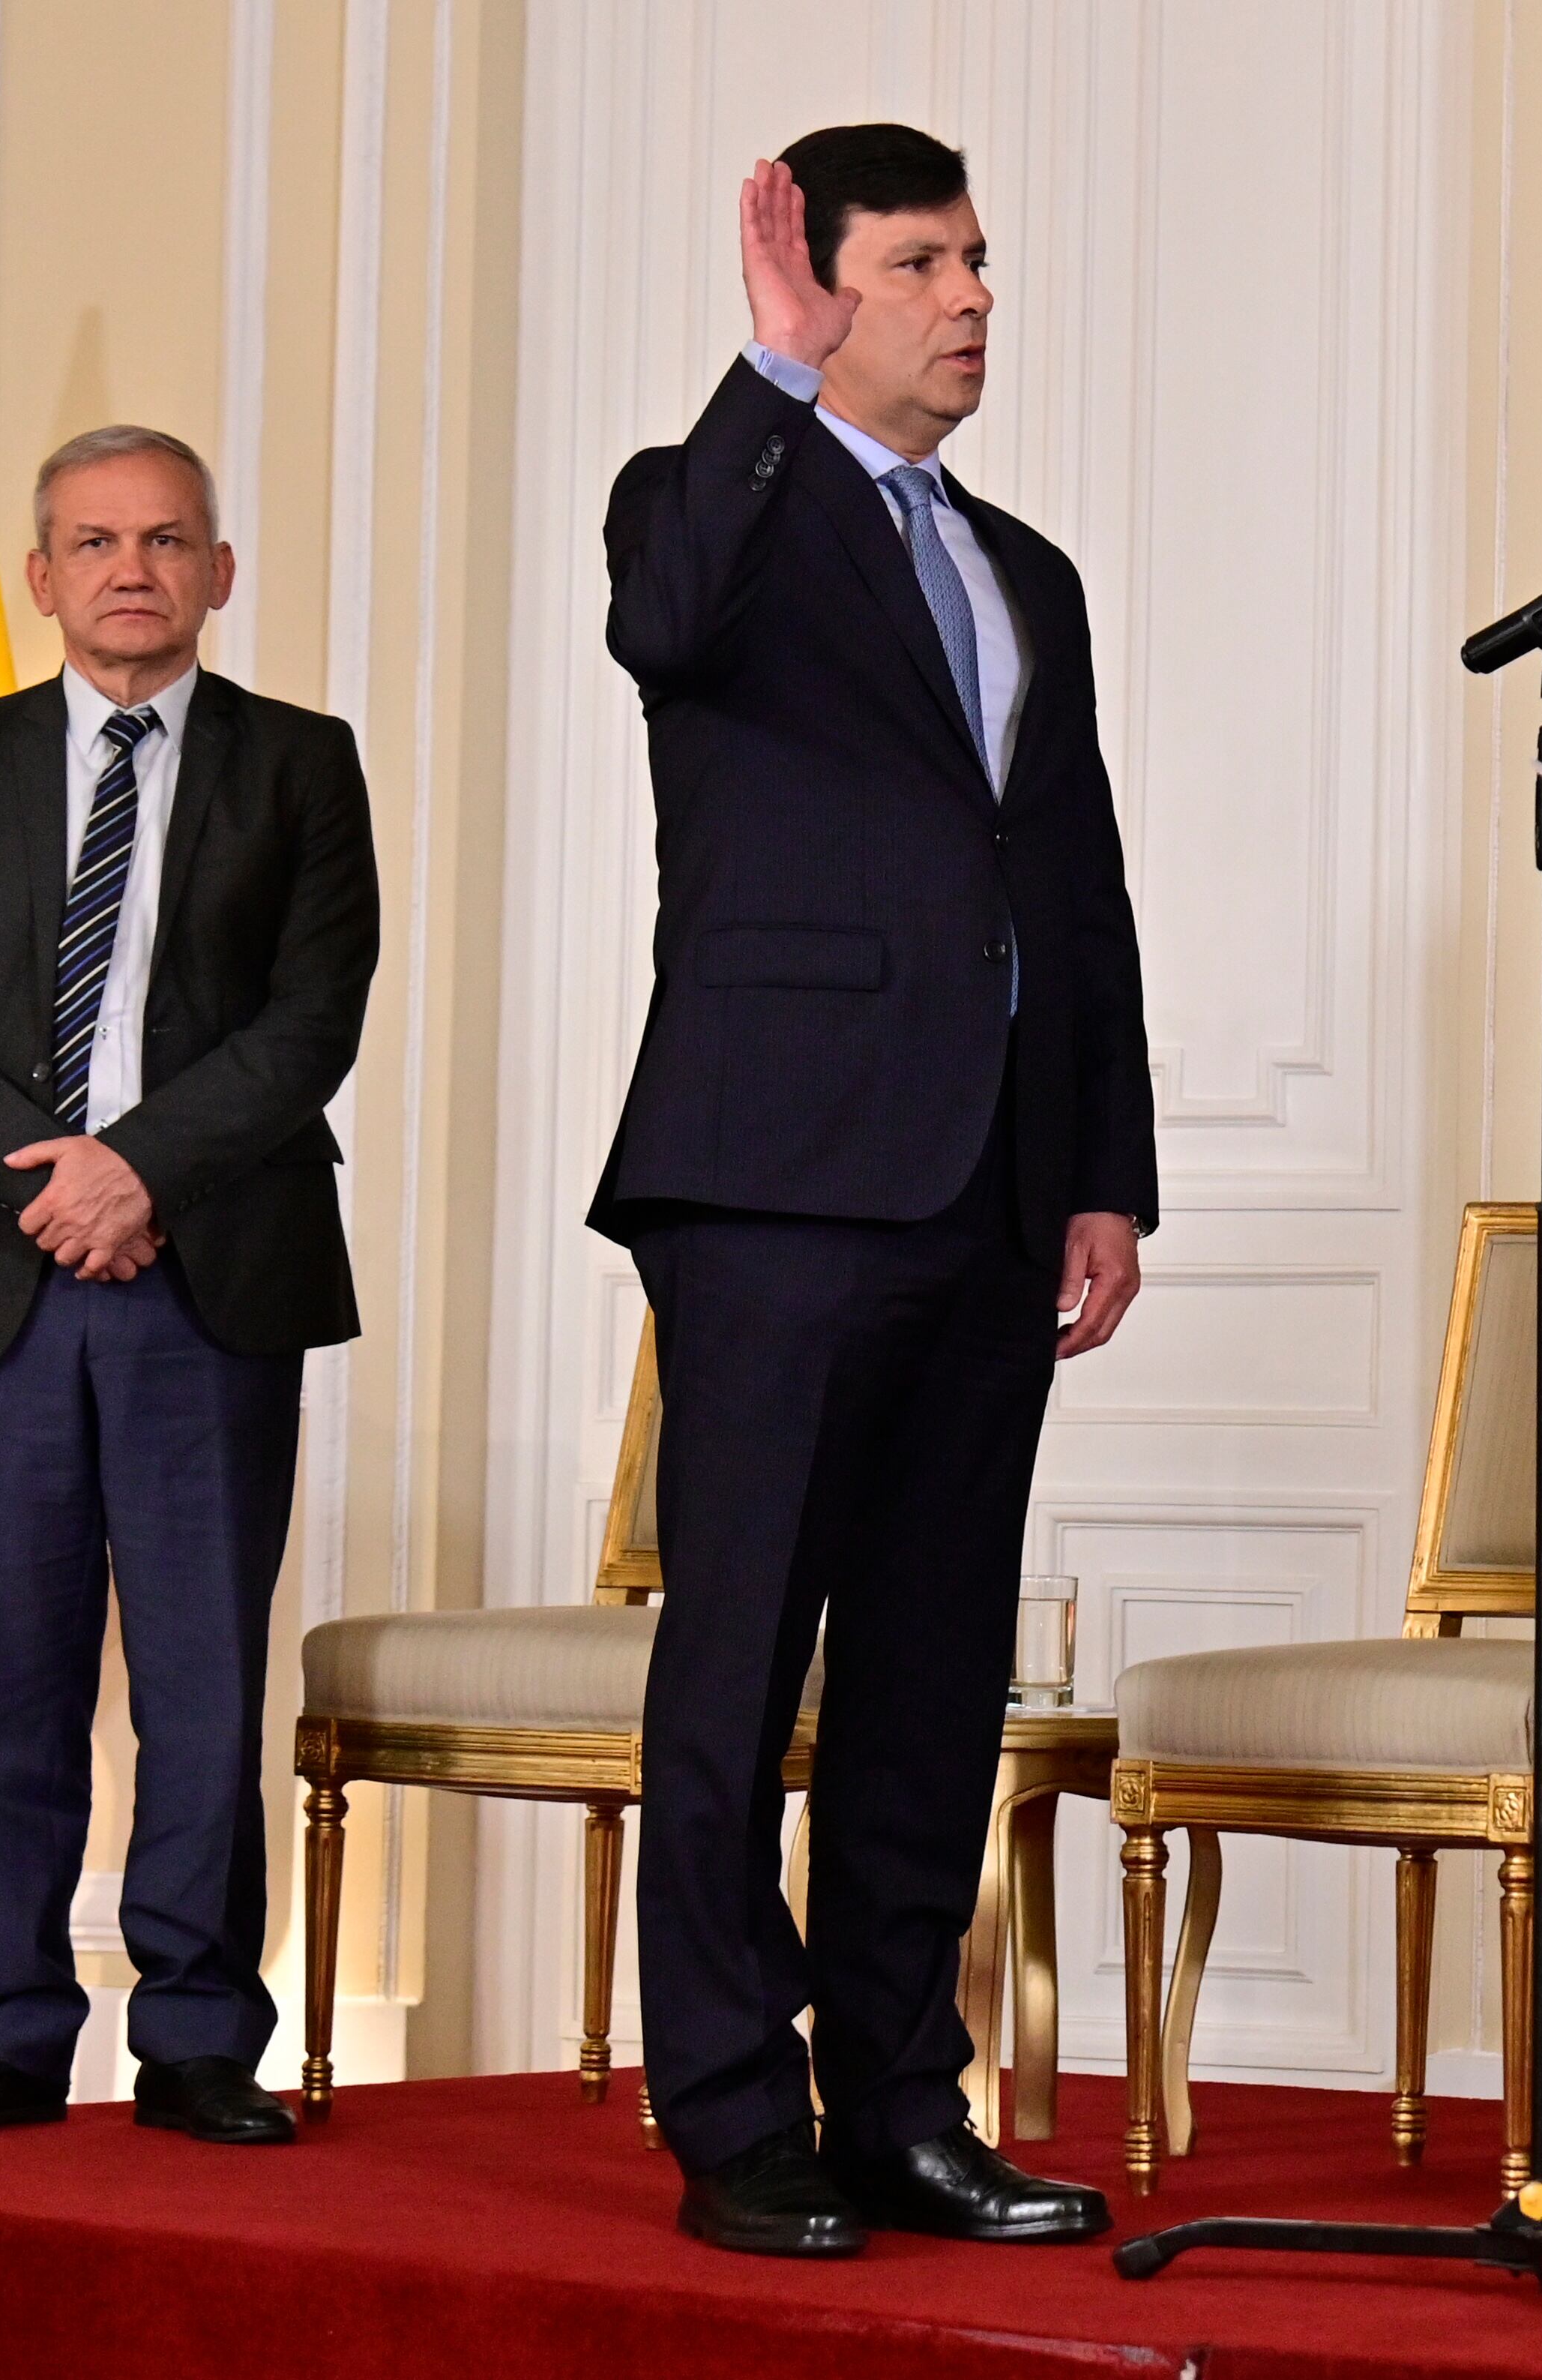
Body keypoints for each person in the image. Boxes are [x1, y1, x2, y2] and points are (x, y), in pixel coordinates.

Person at [591, 122, 1155, 2259]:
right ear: (823, 287)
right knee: (740, 1661)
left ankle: (906, 2099)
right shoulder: (699, 502)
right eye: (923, 263)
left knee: (929, 1669)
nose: (974, 297)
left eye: (980, 260)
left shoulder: (1031, 573)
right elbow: (667, 625)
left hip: (995, 1190)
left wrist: (1104, 1169)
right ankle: (736, 2108)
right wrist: (765, 374)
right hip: (774, 1177)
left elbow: (1075, 881)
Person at [0, 425, 378, 2147]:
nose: (130, 569)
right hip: (5, 1272)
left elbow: (312, 1020)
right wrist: (61, 1184)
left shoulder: (303, 764)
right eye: (94, 541)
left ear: (218, 572)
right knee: (7, 1665)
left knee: (204, 1669)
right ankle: (2, 2028)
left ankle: (200, 2037)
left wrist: (140, 1169)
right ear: (42, 574)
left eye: (164, 540)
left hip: (207, 1267)